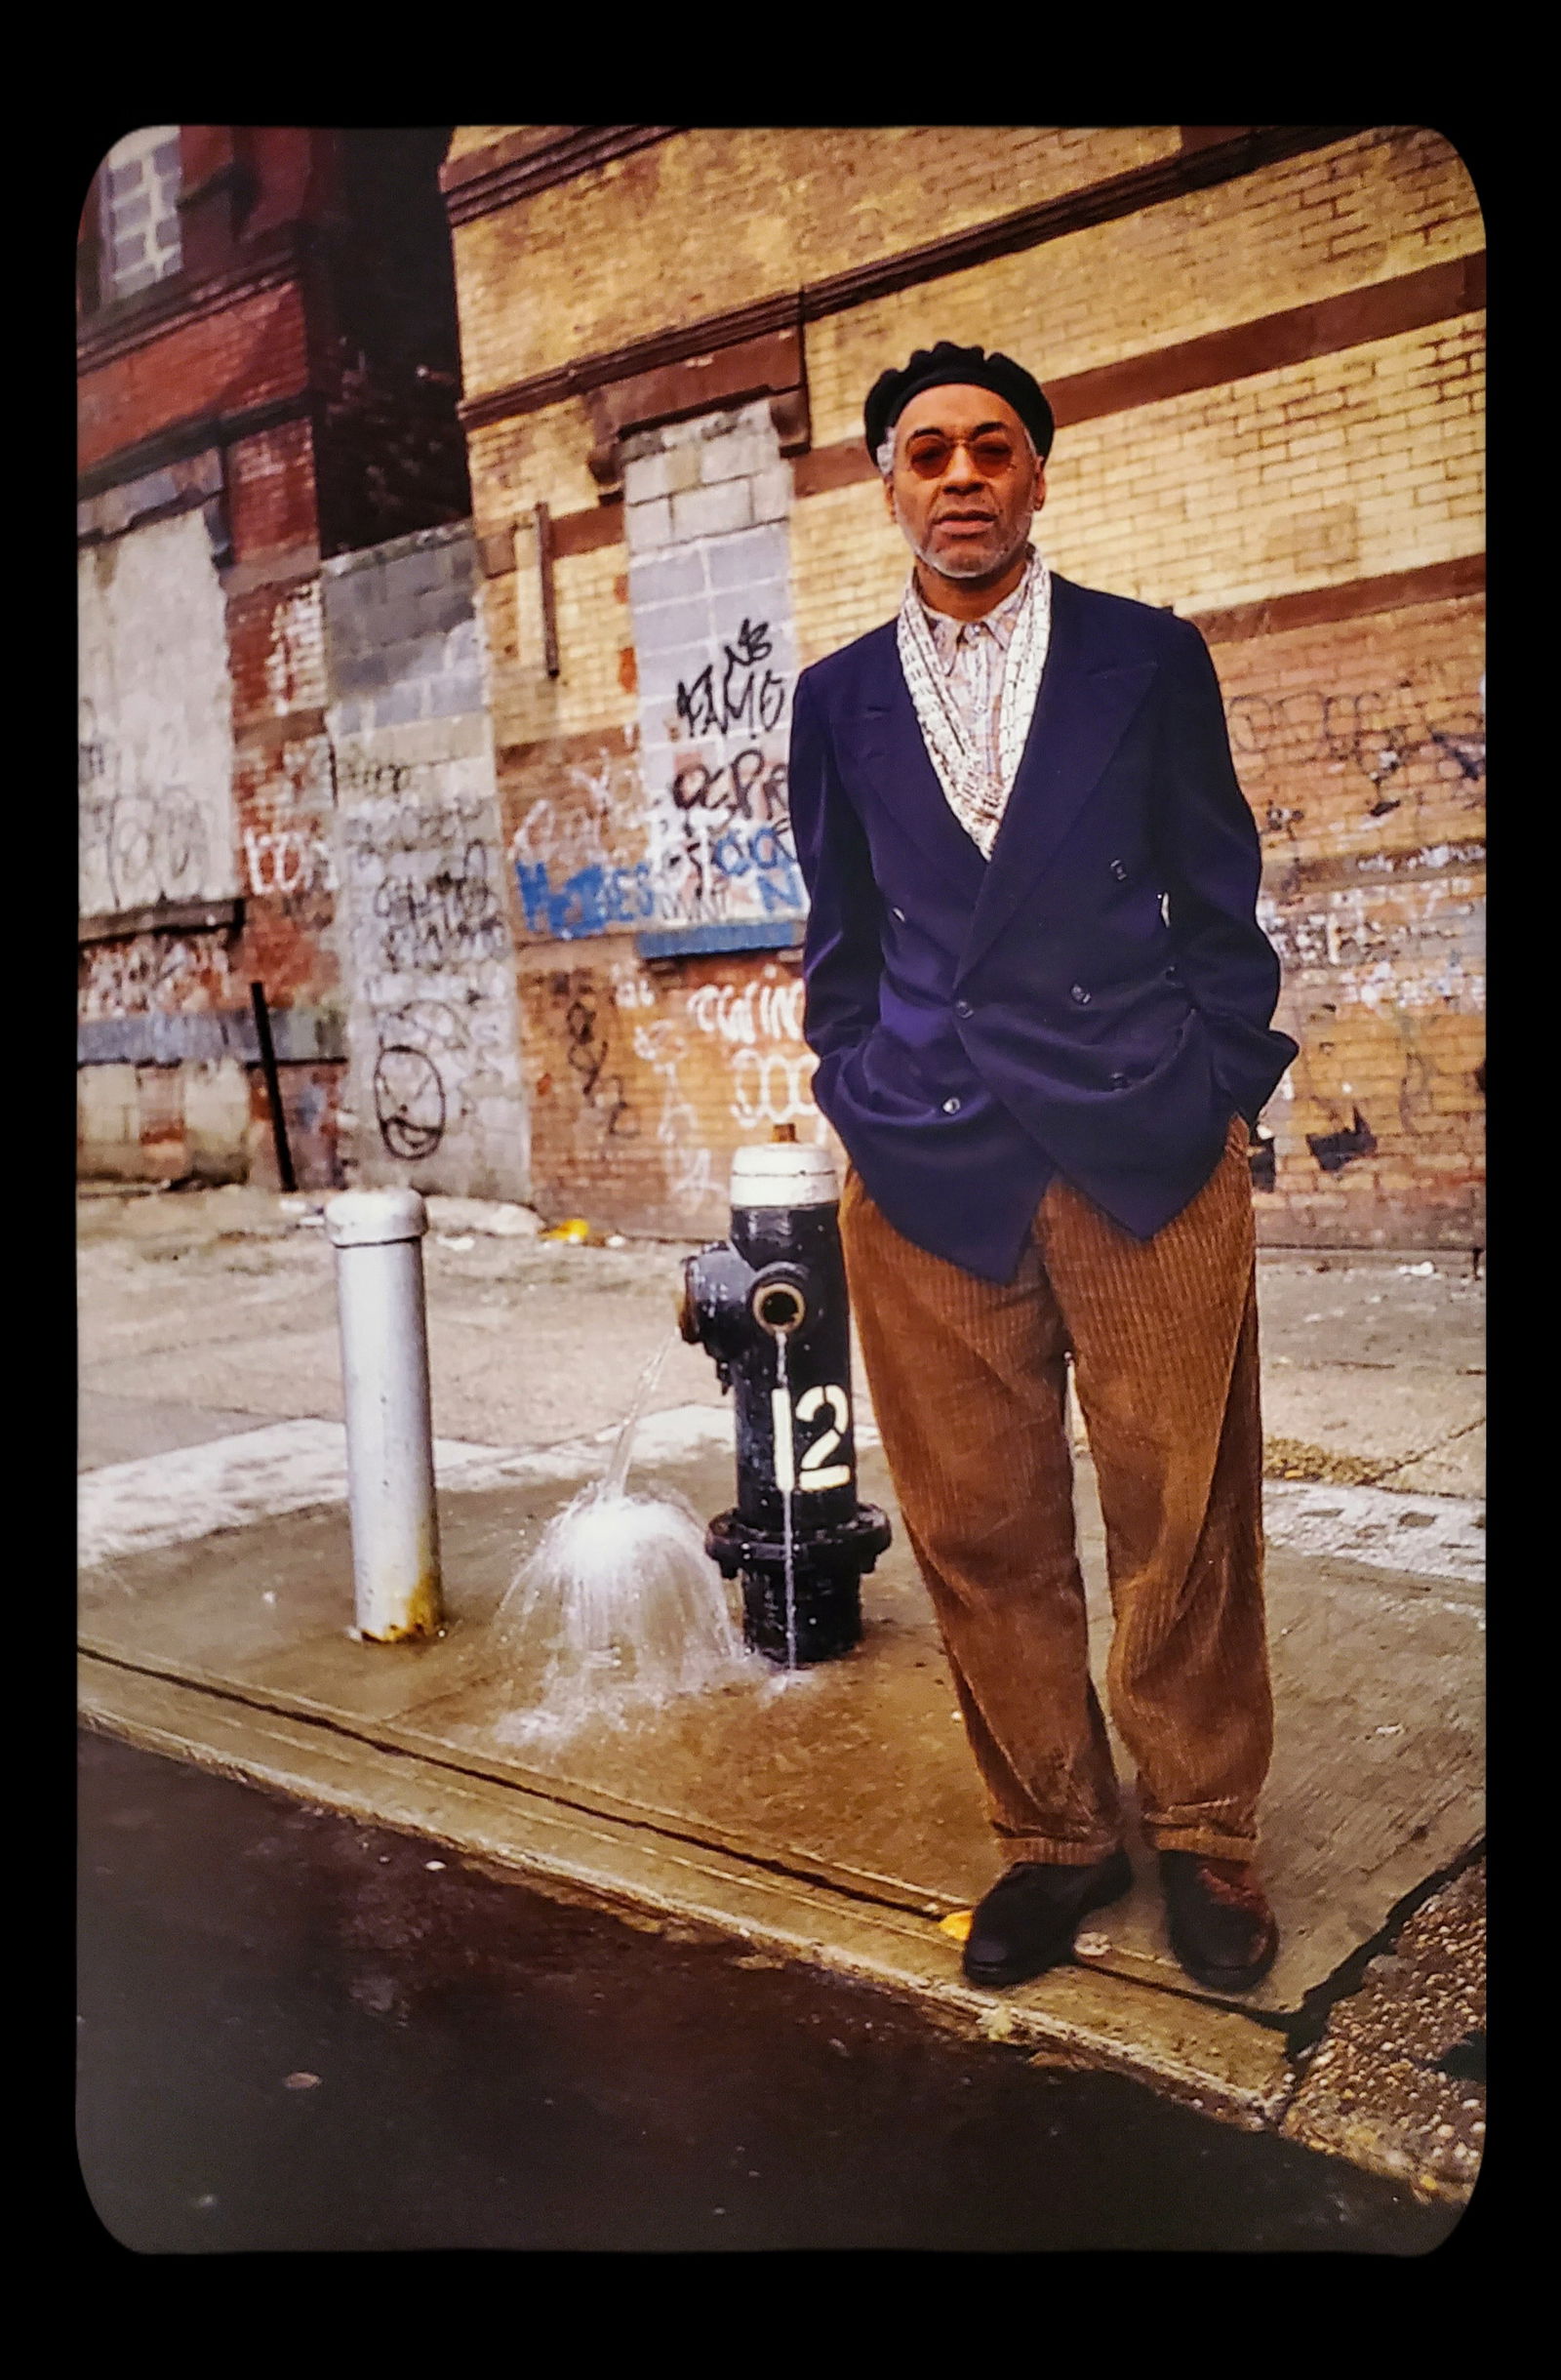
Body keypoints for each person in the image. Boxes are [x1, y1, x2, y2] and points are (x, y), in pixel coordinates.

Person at [786, 342, 1299, 1994]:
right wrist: (856, 1090)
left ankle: (1204, 1830)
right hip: (931, 1164)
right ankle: (1056, 1837)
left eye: (992, 448)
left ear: (1037, 475)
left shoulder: (1145, 657)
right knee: (978, 1525)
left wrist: (1223, 1090)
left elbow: (1219, 894)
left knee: (1181, 1513)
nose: (961, 477)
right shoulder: (837, 698)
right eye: (927, 452)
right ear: (887, 486)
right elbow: (841, 936)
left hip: (1143, 1138)